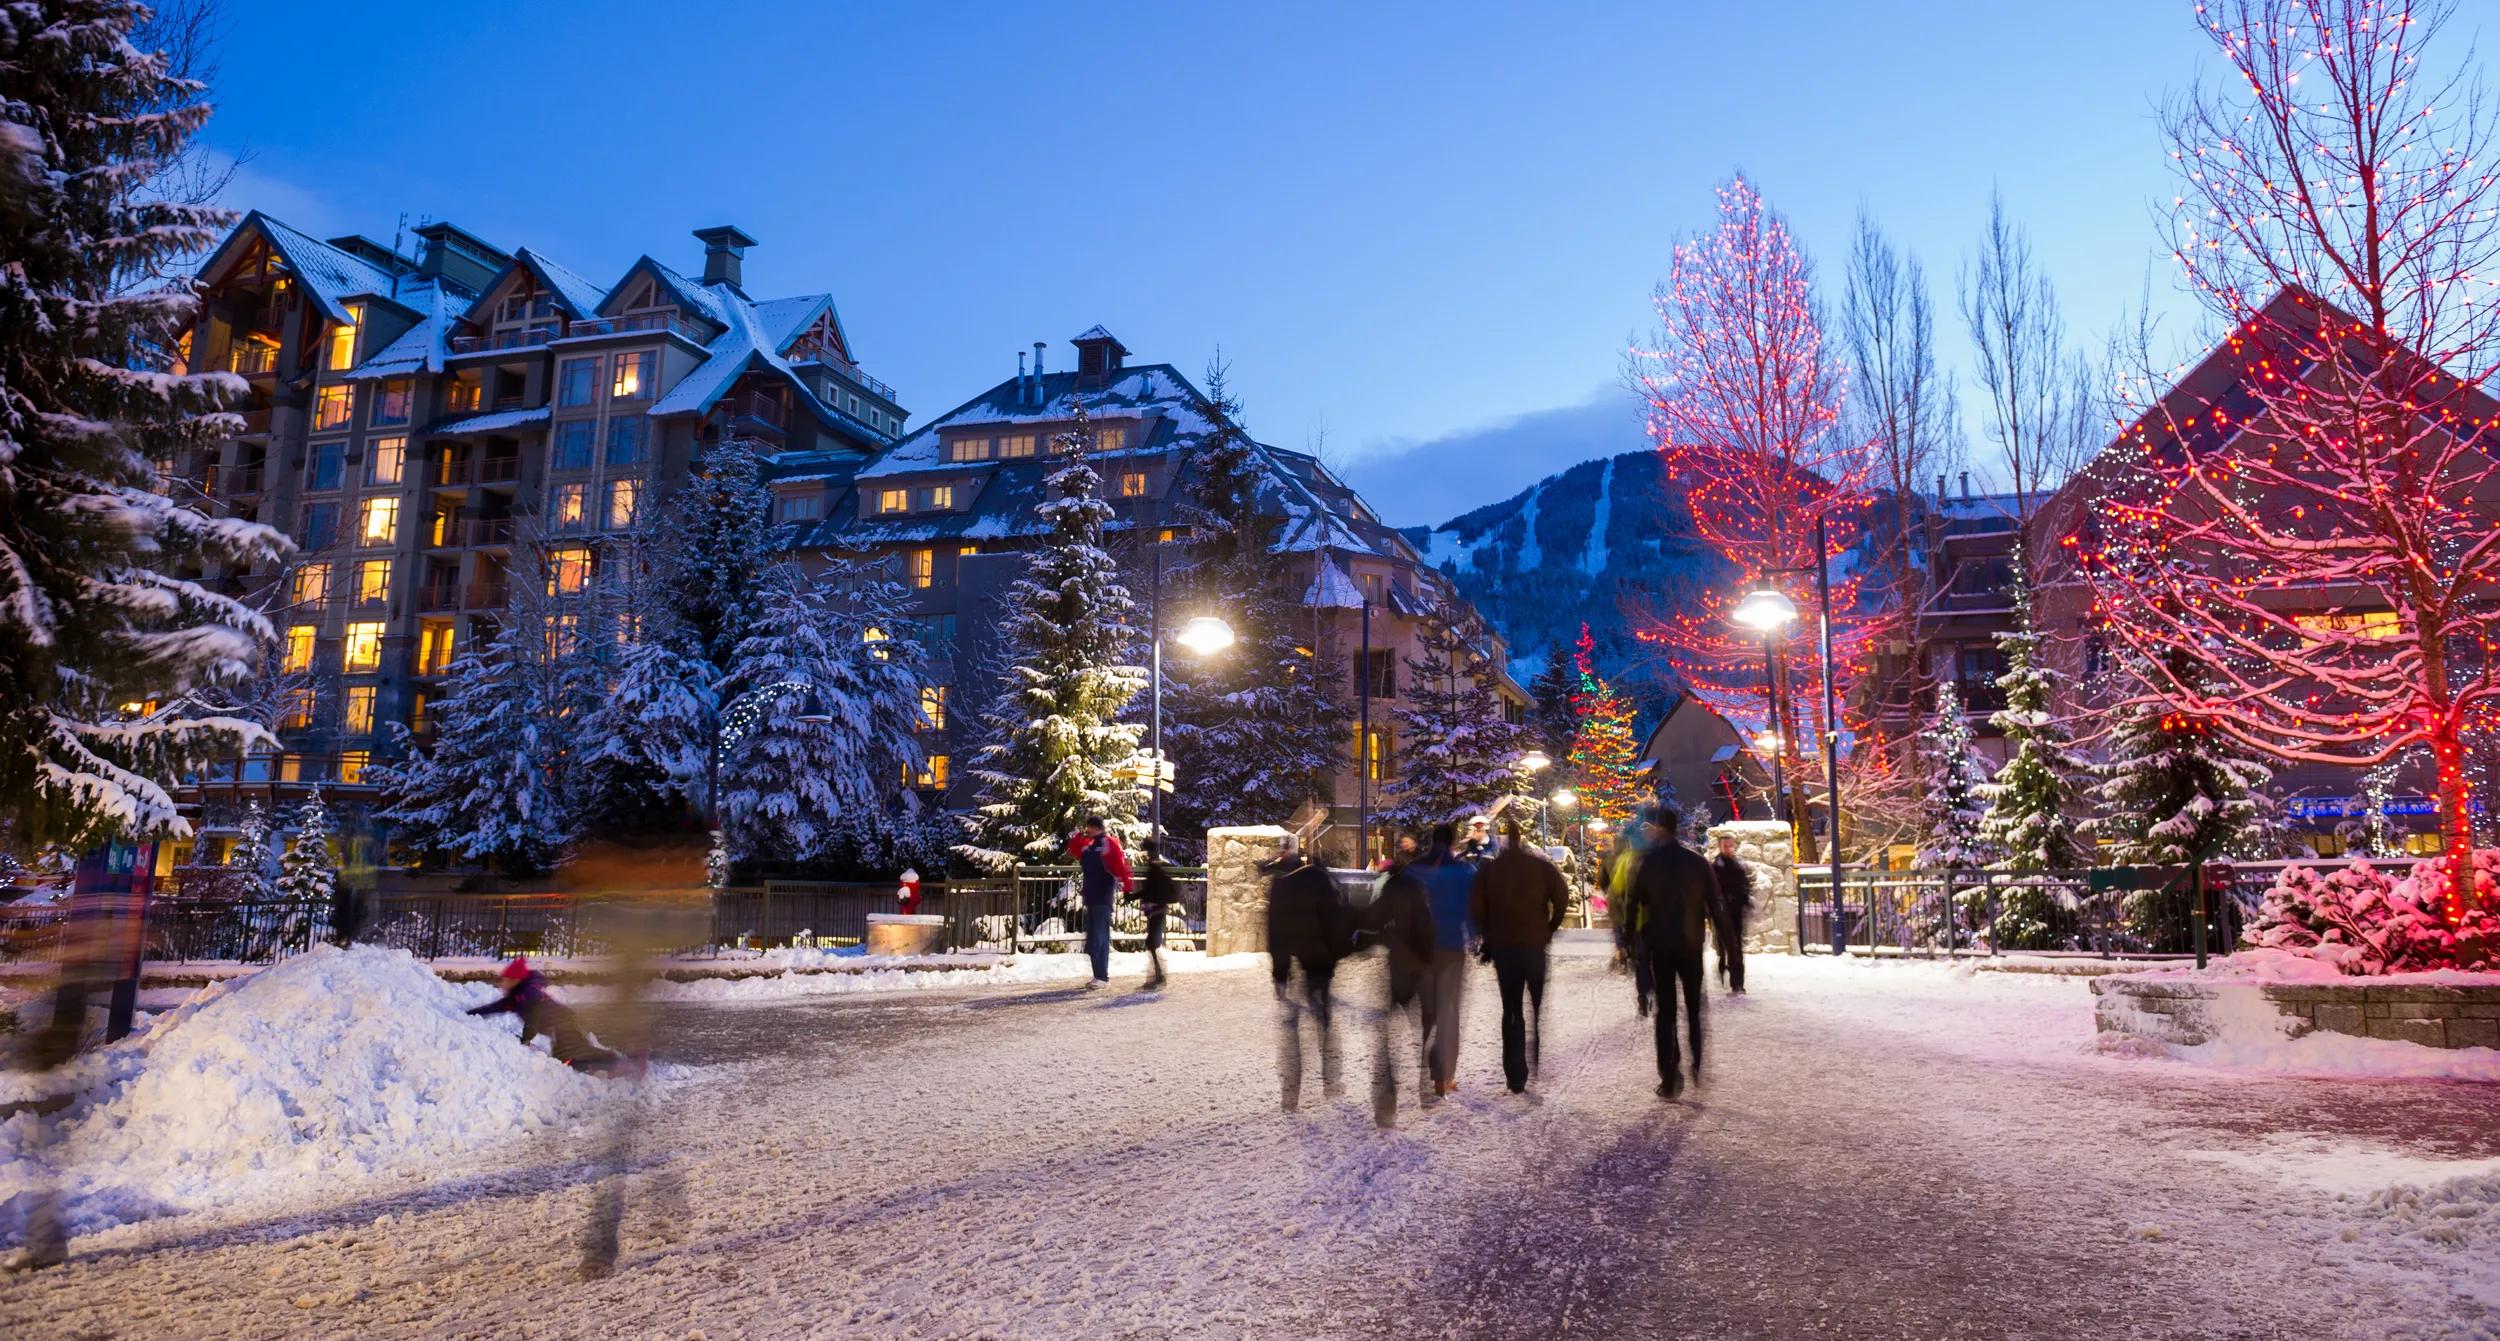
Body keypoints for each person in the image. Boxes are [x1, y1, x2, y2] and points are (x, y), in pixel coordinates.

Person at [1471, 820, 1571, 1094]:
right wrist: (1550, 926)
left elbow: (1477, 908)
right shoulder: (1541, 867)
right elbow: (1562, 896)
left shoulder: (1490, 870)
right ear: (1523, 840)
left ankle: (1515, 1074)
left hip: (1505, 948)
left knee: (1511, 1008)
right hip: (1535, 945)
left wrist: (1488, 936)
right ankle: (1534, 1047)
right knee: (1535, 1002)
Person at [1631, 807, 1720, 1100]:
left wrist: (1632, 945)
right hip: (1690, 944)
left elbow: (1633, 908)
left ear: (1658, 829)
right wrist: (1730, 952)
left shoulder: (1647, 864)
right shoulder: (1697, 863)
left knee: (1665, 1012)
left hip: (1660, 946)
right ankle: (1696, 1063)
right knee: (1694, 1008)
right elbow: (1716, 908)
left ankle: (1669, 1076)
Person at [1265, 837, 1349, 1110]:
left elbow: (1276, 931)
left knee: (1292, 1029)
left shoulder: (1281, 887)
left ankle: (1291, 1095)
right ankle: (1331, 1080)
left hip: (1299, 958)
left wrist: (1280, 971)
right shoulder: (1324, 883)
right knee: (1323, 1017)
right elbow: (1338, 922)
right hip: (1321, 962)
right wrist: (1335, 957)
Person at [1356, 854, 1437, 1126]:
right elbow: (1428, 928)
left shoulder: (1391, 889)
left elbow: (1372, 920)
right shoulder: (1419, 892)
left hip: (1398, 969)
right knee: (1423, 1028)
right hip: (1422, 969)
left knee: (1388, 1034)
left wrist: (1362, 939)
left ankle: (1387, 1100)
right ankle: (1427, 1080)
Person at [1407, 822, 1478, 1098]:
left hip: (1420, 950)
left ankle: (1424, 1073)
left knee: (1425, 1011)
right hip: (1451, 948)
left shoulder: (1416, 869)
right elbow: (1474, 909)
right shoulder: (1464, 871)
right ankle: (1444, 1075)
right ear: (1452, 842)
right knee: (1449, 1011)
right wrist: (1473, 936)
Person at [468, 957, 627, 1074]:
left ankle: (616, 1064)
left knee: (571, 1054)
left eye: (505, 979)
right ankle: (598, 1067)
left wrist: (526, 1038)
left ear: (515, 979)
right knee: (565, 1057)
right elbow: (496, 1007)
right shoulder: (516, 997)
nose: (502, 983)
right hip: (558, 1025)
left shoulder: (528, 993)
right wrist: (472, 1014)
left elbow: (533, 1017)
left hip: (564, 1022)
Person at [1065, 817, 1134, 988]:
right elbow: (1072, 849)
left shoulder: (1108, 843)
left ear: (1095, 827)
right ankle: (1099, 975)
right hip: (1091, 896)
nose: (1087, 830)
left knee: (1099, 937)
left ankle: (1102, 977)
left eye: (1089, 828)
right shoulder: (1089, 845)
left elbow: (1120, 865)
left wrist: (1127, 887)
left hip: (1103, 895)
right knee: (1093, 938)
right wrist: (1079, 836)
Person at [1609, 814, 1656, 1017]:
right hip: (1661, 921)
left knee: (1642, 960)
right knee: (1658, 960)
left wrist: (1619, 921)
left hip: (1637, 921)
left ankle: (1643, 995)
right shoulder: (1661, 857)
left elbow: (1616, 891)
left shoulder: (1626, 860)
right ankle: (1656, 991)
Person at [1711, 834, 1753, 994]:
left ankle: (1737, 983)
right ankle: (1724, 967)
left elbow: (1744, 885)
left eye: (1731, 845)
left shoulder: (1737, 865)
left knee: (1735, 947)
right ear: (1720, 847)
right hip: (1722, 914)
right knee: (1725, 946)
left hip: (1735, 913)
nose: (1729, 848)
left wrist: (1743, 899)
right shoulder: (1716, 867)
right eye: (1725, 846)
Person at [1136, 839, 1178, 990]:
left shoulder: (1154, 869)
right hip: (1156, 909)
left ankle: (1159, 977)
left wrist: (1134, 896)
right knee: (1152, 942)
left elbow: (1150, 890)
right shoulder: (1156, 867)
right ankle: (1158, 976)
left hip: (1156, 909)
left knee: (1152, 943)